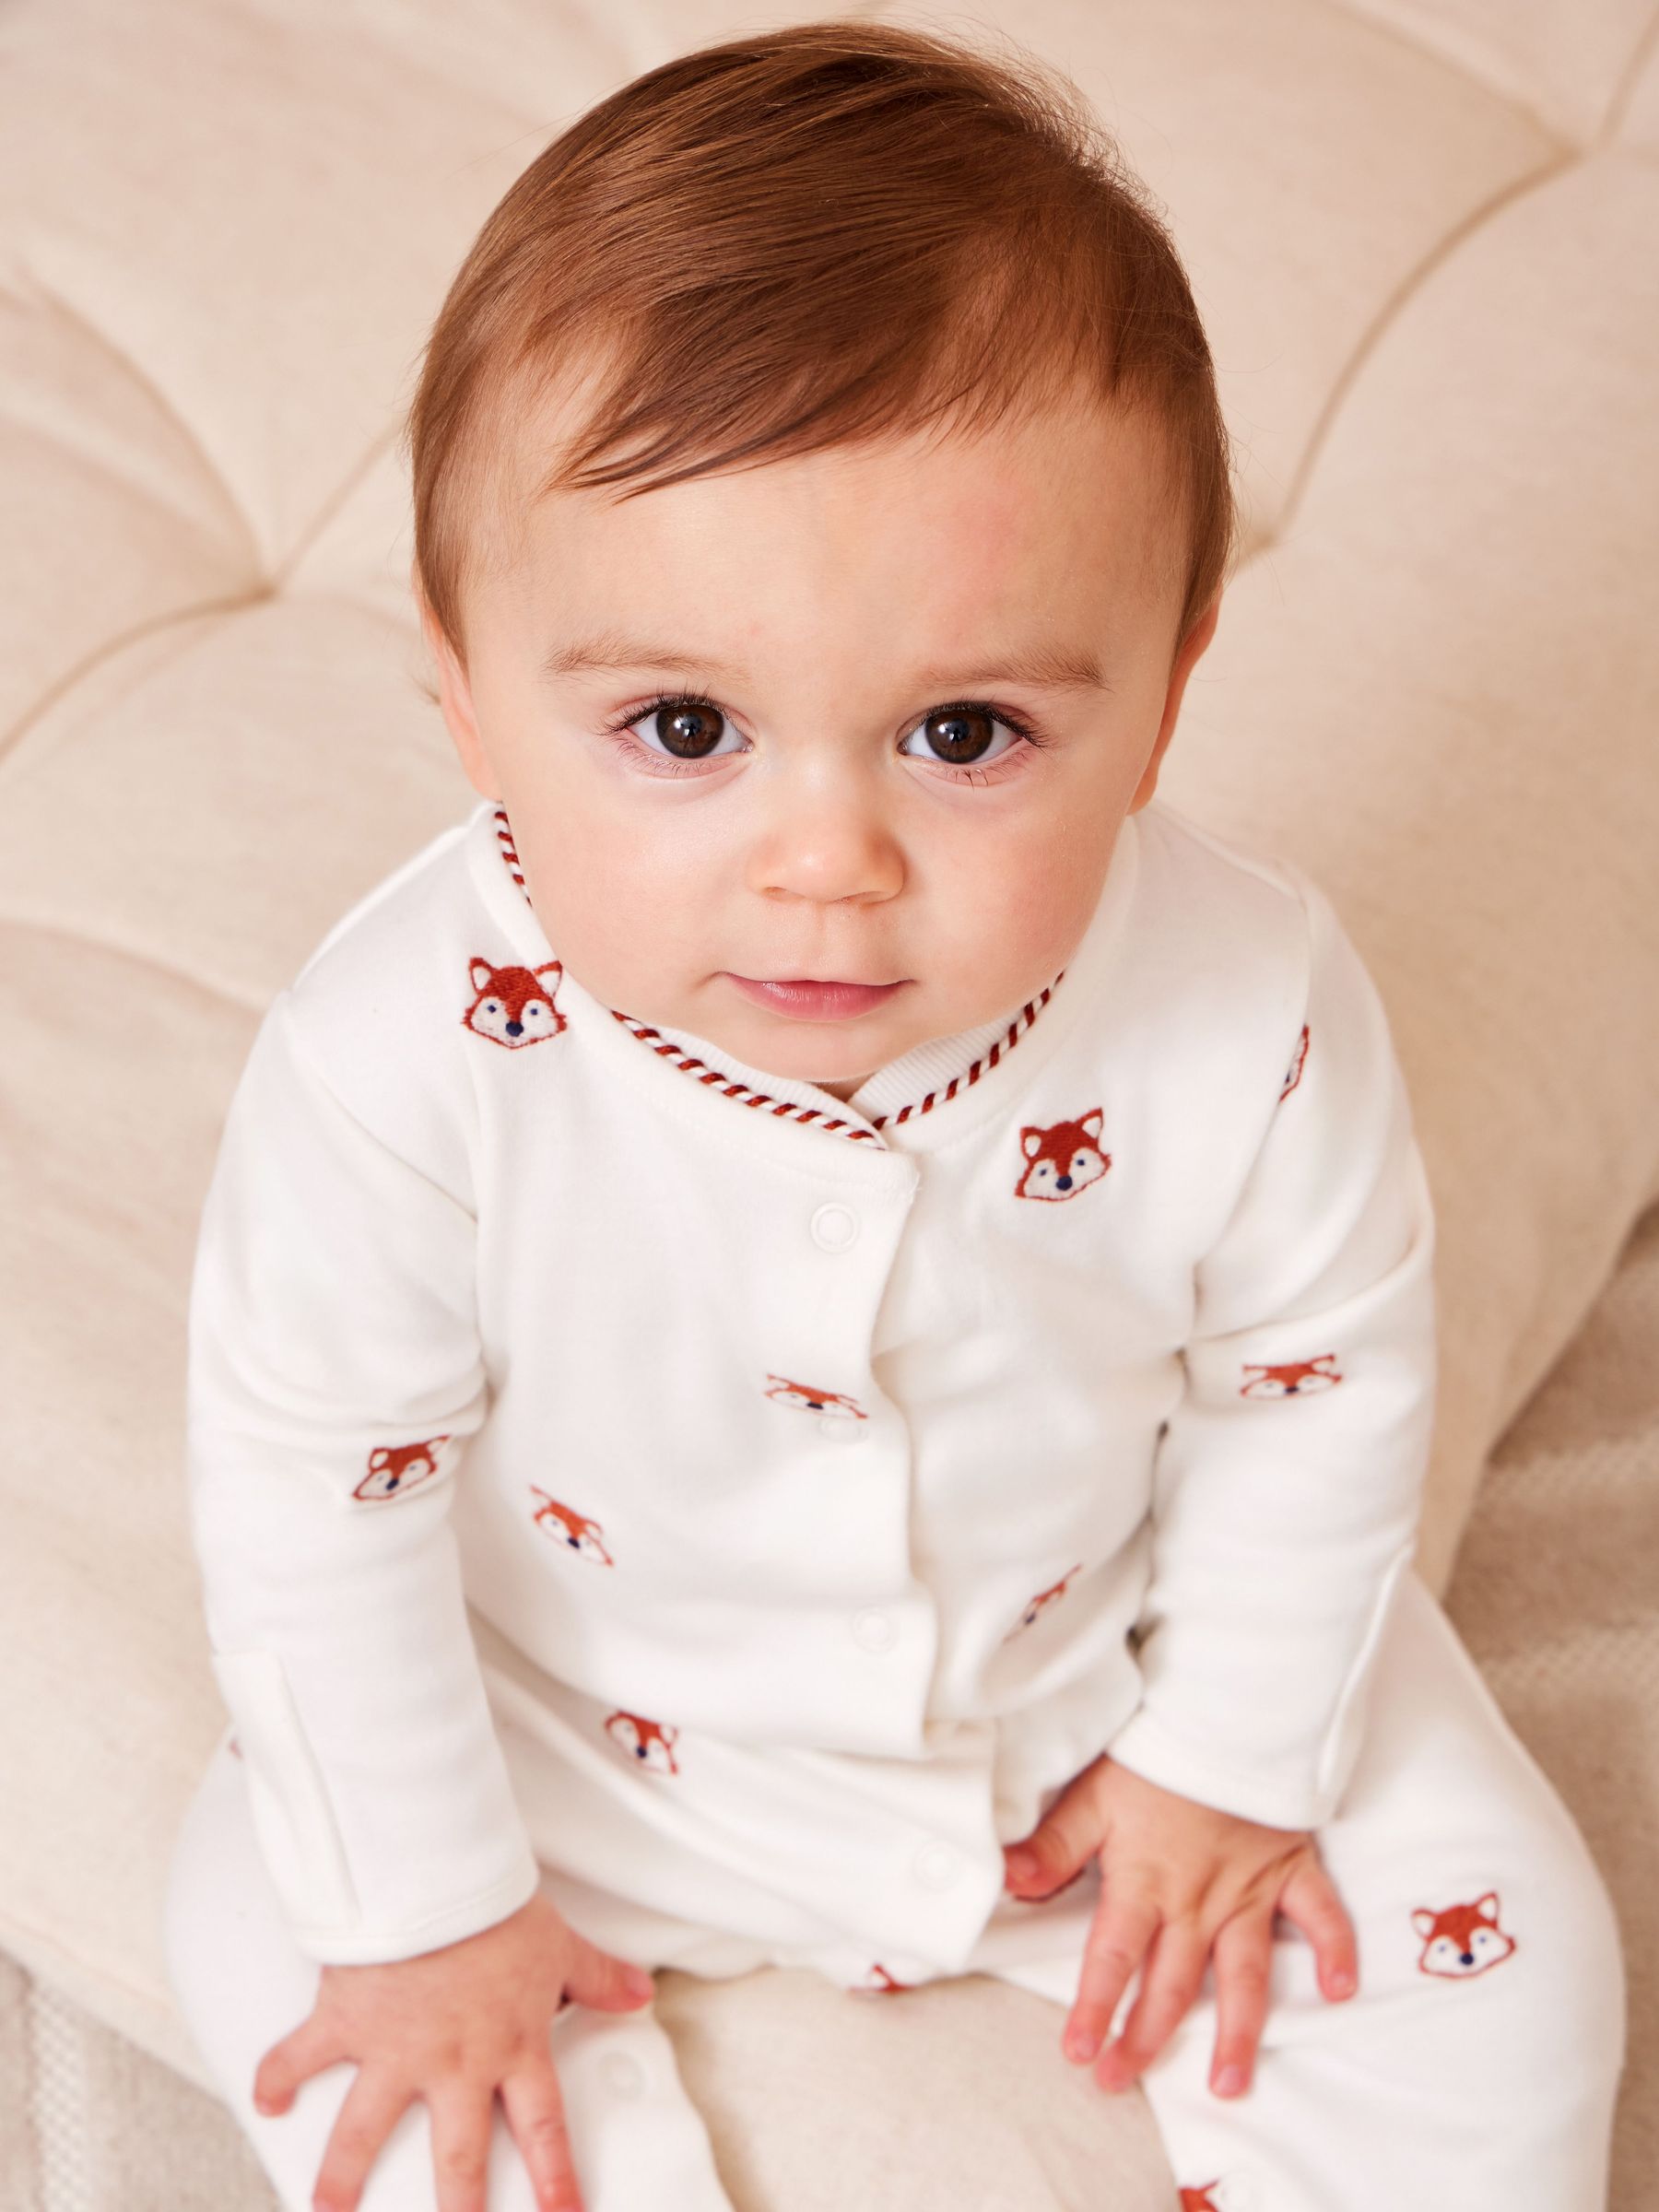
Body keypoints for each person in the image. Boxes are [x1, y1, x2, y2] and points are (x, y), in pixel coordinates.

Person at [160, 18, 1627, 2212]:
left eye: (963, 734)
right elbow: (315, 1490)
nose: (827, 863)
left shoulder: (1245, 1003)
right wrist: (425, 1910)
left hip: (1102, 1672)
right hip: (569, 1726)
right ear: (465, 698)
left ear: (1162, 699)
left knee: (1503, 1966)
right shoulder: (401, 1064)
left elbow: (1315, 1378)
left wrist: (1231, 1753)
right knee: (284, 1934)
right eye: (685, 727)